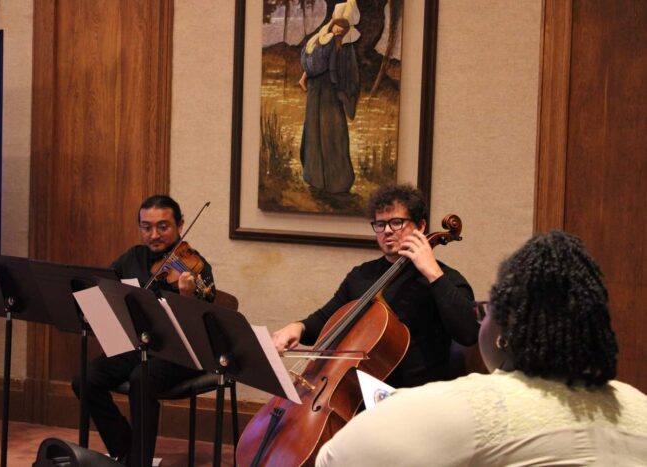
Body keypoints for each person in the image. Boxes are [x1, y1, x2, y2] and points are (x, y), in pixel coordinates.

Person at [315, 230, 647, 466]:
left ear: (504, 329)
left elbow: (334, 458)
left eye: (486, 310)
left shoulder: (471, 407)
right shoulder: (637, 405)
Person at [272, 183, 478, 388]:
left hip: (418, 399)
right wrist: (298, 326)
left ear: (421, 226)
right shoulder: (361, 276)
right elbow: (328, 321)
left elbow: (468, 333)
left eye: (396, 222)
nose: (387, 231)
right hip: (360, 393)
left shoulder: (445, 279)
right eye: (380, 224)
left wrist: (433, 273)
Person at [72, 195, 216, 467]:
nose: (154, 235)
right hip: (139, 345)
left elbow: (201, 323)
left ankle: (138, 462)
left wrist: (188, 295)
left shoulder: (195, 266)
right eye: (146, 227)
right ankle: (126, 449)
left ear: (180, 225)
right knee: (85, 379)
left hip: (181, 352)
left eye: (163, 226)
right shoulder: (132, 257)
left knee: (142, 376)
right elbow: (105, 287)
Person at [298, 0, 360, 194]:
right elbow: (319, 65)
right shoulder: (327, 40)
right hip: (323, 92)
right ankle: (322, 180)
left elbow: (347, 71)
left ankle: (330, 181)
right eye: (338, 23)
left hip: (325, 93)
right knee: (321, 132)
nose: (339, 28)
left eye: (343, 24)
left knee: (329, 133)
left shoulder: (332, 40)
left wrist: (344, 93)